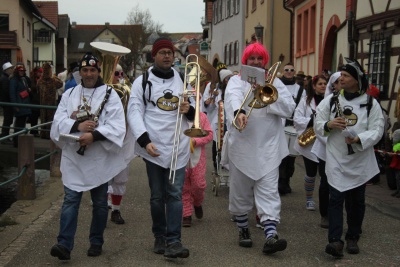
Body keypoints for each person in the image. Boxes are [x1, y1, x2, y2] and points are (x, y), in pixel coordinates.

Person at [49, 52, 127, 261]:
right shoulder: (70, 94)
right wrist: (77, 125)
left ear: (98, 71)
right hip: (74, 158)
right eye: (85, 70)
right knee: (70, 202)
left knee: (100, 203)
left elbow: (118, 126)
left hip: (99, 159)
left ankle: (96, 241)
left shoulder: (110, 94)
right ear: (80, 72)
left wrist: (93, 135)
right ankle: (64, 245)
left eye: (93, 70)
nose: (89, 73)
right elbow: (57, 123)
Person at [224, 42, 295, 254]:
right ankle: (243, 228)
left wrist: (267, 95)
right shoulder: (236, 81)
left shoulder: (275, 82)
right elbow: (232, 99)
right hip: (242, 145)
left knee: (269, 191)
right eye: (251, 58)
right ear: (245, 61)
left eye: (259, 58)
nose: (255, 62)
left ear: (264, 61)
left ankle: (271, 235)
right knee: (240, 191)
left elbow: (289, 108)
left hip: (269, 147)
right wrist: (239, 112)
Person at [127, 37, 192, 259]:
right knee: (157, 196)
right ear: (154, 55)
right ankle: (159, 236)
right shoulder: (141, 81)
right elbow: (134, 112)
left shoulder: (184, 79)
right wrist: (145, 141)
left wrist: (189, 110)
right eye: (162, 52)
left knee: (174, 194)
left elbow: (197, 110)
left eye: (170, 52)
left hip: (177, 146)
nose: (167, 56)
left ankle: (174, 241)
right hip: (152, 147)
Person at [315, 58, 384, 258]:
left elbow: (378, 129)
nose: (341, 78)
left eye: (346, 76)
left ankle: (353, 236)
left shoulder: (371, 103)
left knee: (357, 201)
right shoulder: (331, 101)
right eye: (341, 75)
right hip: (337, 158)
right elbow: (318, 121)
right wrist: (329, 125)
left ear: (356, 80)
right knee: (335, 198)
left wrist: (359, 139)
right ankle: (335, 241)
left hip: (360, 159)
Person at [293, 75, 327, 212]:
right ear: (314, 86)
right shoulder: (305, 101)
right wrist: (311, 121)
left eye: (325, 83)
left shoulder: (330, 100)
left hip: (324, 141)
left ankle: (325, 200)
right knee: (311, 173)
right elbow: (297, 118)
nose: (323, 86)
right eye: (320, 84)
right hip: (310, 142)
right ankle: (309, 199)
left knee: (325, 174)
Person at [107, 64, 136, 224]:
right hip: (107, 140)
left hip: (124, 140)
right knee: (104, 178)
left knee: (120, 178)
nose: (118, 76)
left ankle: (116, 210)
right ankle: (104, 207)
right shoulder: (103, 91)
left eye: (120, 73)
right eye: (115, 73)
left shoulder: (126, 89)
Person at [278, 62, 305, 194]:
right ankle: (279, 181)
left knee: (291, 156)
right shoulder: (278, 86)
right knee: (281, 155)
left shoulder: (300, 89)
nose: (289, 72)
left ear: (294, 72)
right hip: (280, 124)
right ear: (283, 72)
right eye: (286, 70)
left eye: (291, 70)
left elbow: (303, 107)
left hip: (294, 124)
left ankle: (286, 180)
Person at [182, 111, 213, 227]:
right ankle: (186, 214)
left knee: (198, 185)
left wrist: (196, 141)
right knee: (184, 186)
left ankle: (198, 202)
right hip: (182, 156)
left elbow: (210, 134)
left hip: (198, 156)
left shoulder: (201, 116)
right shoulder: (177, 115)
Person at [203, 63, 232, 174]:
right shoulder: (212, 87)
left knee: (228, 143)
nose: (228, 80)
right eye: (226, 78)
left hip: (229, 120)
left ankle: (228, 165)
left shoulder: (232, 87)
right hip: (218, 119)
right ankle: (217, 166)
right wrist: (210, 100)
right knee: (217, 144)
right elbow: (207, 105)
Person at [37, 63, 63, 139]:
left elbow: (37, 88)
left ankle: (43, 134)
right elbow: (61, 84)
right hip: (51, 103)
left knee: (43, 118)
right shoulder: (53, 80)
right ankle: (49, 134)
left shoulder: (40, 81)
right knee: (50, 119)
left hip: (42, 103)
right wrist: (54, 76)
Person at [9, 64, 32, 147]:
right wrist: (15, 106)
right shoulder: (14, 80)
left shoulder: (23, 79)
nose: (22, 72)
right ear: (17, 71)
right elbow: (12, 94)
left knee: (21, 124)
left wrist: (27, 90)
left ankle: (19, 141)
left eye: (23, 71)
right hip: (20, 104)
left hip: (24, 104)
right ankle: (17, 142)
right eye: (20, 71)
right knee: (19, 125)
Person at [0, 62, 14, 141]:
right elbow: (6, 91)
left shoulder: (4, 78)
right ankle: (4, 135)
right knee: (8, 119)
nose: (12, 70)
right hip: (7, 102)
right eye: (11, 69)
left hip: (6, 102)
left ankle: (5, 134)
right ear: (7, 70)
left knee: (8, 119)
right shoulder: (5, 79)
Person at [28, 67, 43, 137]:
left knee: (36, 117)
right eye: (39, 72)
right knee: (34, 117)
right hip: (33, 101)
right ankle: (34, 131)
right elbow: (32, 89)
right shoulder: (32, 80)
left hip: (38, 100)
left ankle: (35, 130)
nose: (40, 74)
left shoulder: (39, 79)